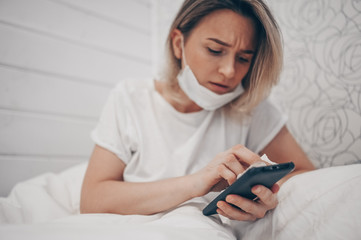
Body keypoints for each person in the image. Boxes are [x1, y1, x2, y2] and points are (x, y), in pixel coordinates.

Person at [80, 0, 315, 222]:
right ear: (177, 44)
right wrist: (196, 183)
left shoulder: (251, 109)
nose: (229, 71)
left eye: (243, 58)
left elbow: (304, 174)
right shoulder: (130, 97)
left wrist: (265, 195)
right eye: (215, 50)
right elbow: (92, 200)